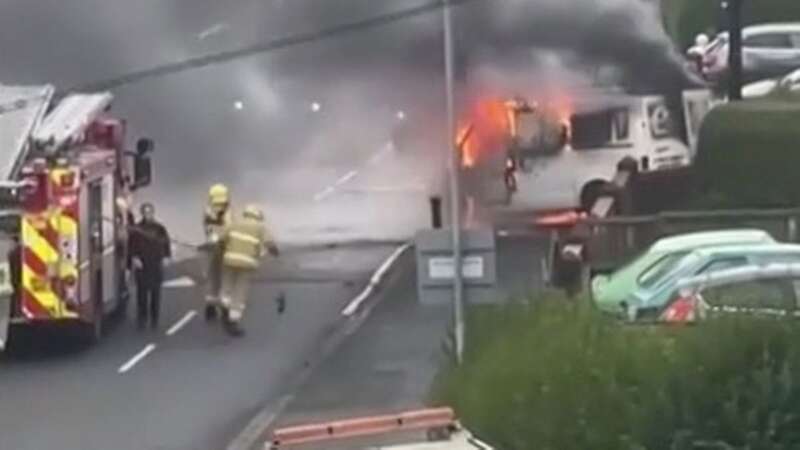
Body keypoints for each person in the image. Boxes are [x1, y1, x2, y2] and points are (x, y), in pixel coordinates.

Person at [218, 204, 279, 337]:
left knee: (226, 286)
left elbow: (221, 238)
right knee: (240, 291)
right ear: (258, 216)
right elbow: (269, 244)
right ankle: (233, 320)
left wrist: (222, 249)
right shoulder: (260, 228)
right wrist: (275, 252)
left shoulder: (234, 223)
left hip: (229, 260)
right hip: (247, 263)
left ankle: (224, 304)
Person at [129, 203, 171, 329]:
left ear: (153, 213)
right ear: (142, 214)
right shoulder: (136, 229)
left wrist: (166, 257)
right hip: (142, 264)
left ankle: (154, 318)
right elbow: (131, 245)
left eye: (150, 212)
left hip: (155, 264)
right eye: (145, 212)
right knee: (141, 293)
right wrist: (134, 258)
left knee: (155, 293)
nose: (148, 214)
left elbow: (166, 243)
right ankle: (142, 318)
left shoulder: (159, 229)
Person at [202, 183, 232, 321]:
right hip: (225, 248)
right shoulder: (228, 211)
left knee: (212, 277)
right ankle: (224, 308)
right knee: (226, 277)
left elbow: (208, 229)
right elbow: (229, 228)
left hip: (212, 247)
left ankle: (210, 306)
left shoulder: (208, 210)